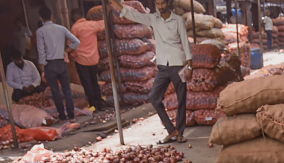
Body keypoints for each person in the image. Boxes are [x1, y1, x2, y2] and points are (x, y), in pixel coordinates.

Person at [108, 0, 192, 143]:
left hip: (179, 64)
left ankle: (180, 133)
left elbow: (185, 42)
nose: (160, 7)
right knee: (154, 97)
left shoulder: (178, 20)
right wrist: (116, 4)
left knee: (181, 99)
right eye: (158, 4)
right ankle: (172, 130)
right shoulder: (154, 19)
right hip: (163, 66)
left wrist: (190, 66)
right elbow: (135, 16)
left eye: (162, 4)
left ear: (168, 4)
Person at [36, 6, 80, 123]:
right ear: (52, 17)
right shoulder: (62, 28)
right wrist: (67, 51)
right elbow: (77, 42)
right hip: (62, 63)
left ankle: (62, 116)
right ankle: (72, 117)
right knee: (67, 90)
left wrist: (42, 69)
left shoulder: (40, 32)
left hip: (50, 65)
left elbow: (41, 52)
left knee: (55, 92)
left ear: (41, 18)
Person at [69, 8, 107, 111]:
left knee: (87, 83)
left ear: (75, 17)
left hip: (81, 60)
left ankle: (93, 104)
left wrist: (70, 53)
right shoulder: (92, 25)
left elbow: (70, 44)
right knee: (95, 81)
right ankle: (100, 103)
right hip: (94, 59)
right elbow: (104, 23)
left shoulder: (75, 28)